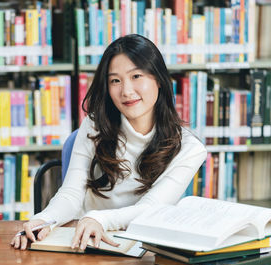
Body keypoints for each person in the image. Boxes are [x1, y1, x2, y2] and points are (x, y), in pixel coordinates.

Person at [11, 34, 207, 251]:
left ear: (159, 79)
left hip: (145, 249)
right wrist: (45, 219)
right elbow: (71, 193)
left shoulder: (190, 149)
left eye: (136, 76)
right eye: (115, 80)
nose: (126, 91)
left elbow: (152, 208)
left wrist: (99, 219)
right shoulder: (94, 126)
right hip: (85, 241)